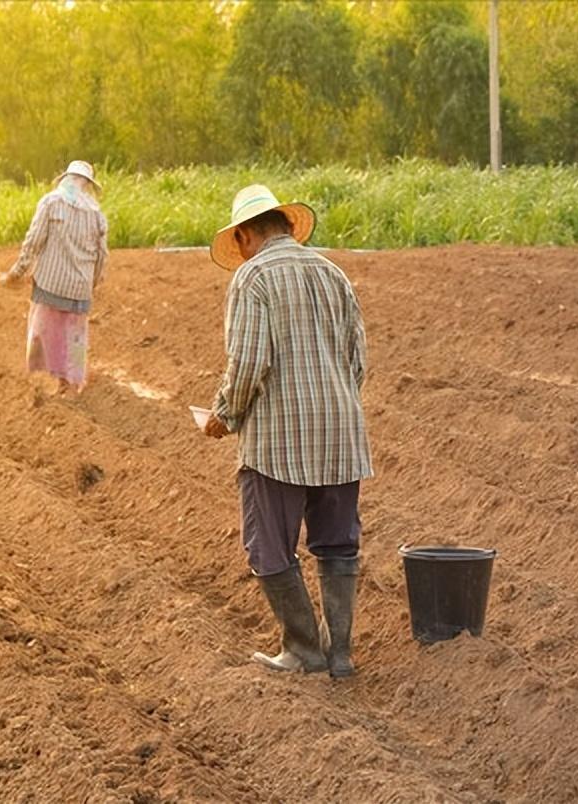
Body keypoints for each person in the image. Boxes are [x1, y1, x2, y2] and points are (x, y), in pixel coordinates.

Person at [203, 184, 372, 678]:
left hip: (278, 440)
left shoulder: (252, 278)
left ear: (245, 236)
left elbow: (250, 362)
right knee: (338, 542)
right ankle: (339, 653)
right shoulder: (332, 273)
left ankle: (303, 649)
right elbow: (357, 360)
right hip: (342, 430)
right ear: (286, 226)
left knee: (268, 544)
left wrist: (224, 414)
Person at [0, 160, 108, 394]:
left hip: (50, 283)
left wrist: (17, 272)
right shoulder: (97, 214)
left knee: (42, 332)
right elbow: (102, 256)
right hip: (80, 288)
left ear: (66, 180)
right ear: (87, 185)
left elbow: (33, 242)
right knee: (76, 335)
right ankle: (72, 382)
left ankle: (40, 381)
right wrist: (92, 285)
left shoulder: (50, 202)